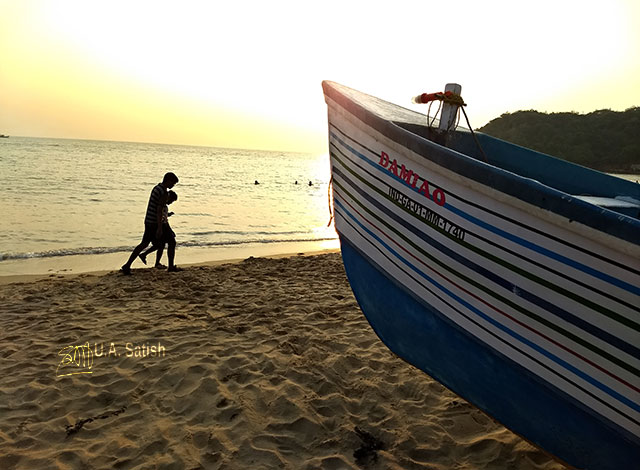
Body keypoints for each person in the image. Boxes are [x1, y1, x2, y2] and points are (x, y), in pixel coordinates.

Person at [121, 172, 180, 275]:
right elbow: (159, 210)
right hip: (156, 222)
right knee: (172, 241)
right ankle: (170, 266)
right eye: (173, 183)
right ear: (168, 180)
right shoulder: (163, 192)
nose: (173, 186)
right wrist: (160, 228)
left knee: (144, 244)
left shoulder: (156, 188)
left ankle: (127, 265)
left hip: (148, 220)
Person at [138, 190, 178, 268]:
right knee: (167, 243)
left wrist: (168, 214)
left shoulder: (164, 205)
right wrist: (161, 228)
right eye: (172, 201)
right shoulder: (162, 204)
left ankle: (154, 260)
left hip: (159, 225)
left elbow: (163, 215)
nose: (171, 203)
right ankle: (169, 266)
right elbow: (160, 216)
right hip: (162, 225)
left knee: (160, 245)